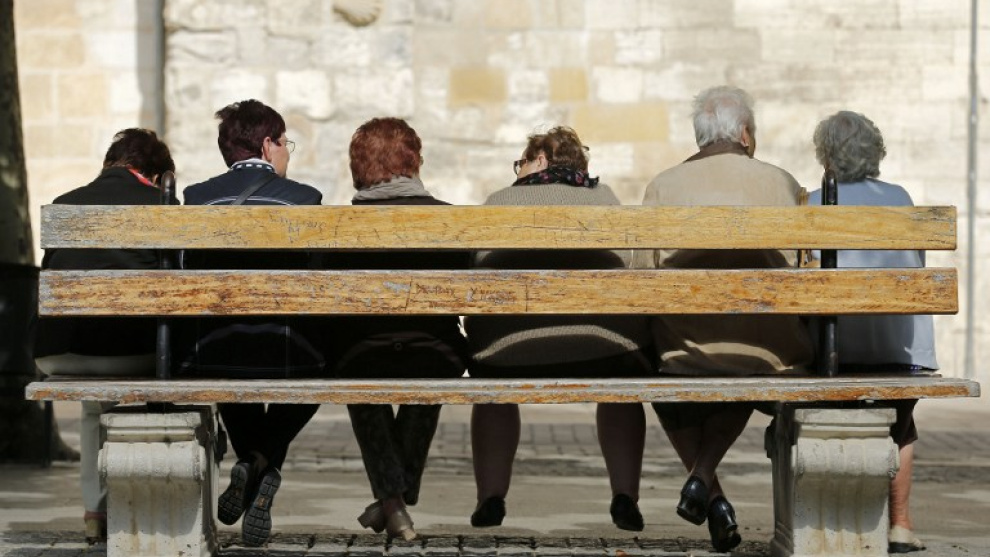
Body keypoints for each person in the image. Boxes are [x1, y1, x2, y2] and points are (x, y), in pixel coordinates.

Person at [632, 86, 814, 552]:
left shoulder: (664, 185)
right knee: (747, 357)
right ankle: (703, 481)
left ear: (700, 137)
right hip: (768, 350)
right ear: (745, 134)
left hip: (685, 349)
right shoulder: (782, 183)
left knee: (668, 369)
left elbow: (640, 276)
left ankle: (710, 493)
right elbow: (805, 266)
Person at [465, 126, 656, 532]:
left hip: (505, 353)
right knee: (621, 389)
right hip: (605, 350)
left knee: (493, 393)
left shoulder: (499, 202)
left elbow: (475, 270)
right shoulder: (606, 200)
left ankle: (491, 497)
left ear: (540, 160)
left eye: (520, 163)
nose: (518, 171)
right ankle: (625, 495)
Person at [180, 99, 324, 547]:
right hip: (287, 347)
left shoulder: (196, 198)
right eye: (285, 144)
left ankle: (250, 462)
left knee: (229, 363)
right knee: (317, 370)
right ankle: (260, 462)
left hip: (213, 348)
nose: (287, 154)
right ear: (267, 144)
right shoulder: (305, 199)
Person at [320, 117, 470, 541]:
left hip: (361, 353)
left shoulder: (336, 228)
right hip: (436, 351)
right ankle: (395, 500)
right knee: (430, 378)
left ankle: (391, 501)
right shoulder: (453, 222)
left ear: (359, 166)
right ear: (414, 160)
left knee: (360, 381)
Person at [34, 128, 178, 544]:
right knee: (165, 364)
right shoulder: (162, 205)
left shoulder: (64, 204)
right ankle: (157, 502)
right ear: (156, 175)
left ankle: (95, 510)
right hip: (133, 351)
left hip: (58, 352)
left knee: (94, 404)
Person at [809, 110, 934, 554]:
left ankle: (828, 522)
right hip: (902, 354)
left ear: (825, 155)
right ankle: (900, 524)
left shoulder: (811, 203)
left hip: (831, 355)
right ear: (874, 152)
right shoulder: (901, 199)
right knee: (901, 422)